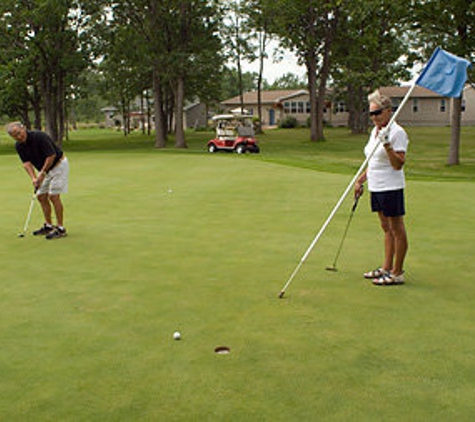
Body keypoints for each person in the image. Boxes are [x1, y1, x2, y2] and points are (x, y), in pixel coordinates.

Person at [354, 90, 409, 285]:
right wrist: (361, 179)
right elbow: (373, 161)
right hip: (376, 186)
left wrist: (387, 145)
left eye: (377, 113)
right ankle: (385, 268)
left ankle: (397, 272)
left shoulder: (397, 132)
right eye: (371, 114)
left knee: (396, 228)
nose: (374, 117)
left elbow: (398, 164)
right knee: (386, 228)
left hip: (391, 186)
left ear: (388, 111)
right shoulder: (374, 131)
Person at [7, 122, 69, 239]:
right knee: (41, 196)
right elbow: (26, 163)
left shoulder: (39, 136)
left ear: (23, 128)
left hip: (58, 165)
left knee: (53, 196)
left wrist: (42, 173)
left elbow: (51, 156)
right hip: (44, 170)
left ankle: (60, 228)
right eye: (15, 136)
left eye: (19, 133)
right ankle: (48, 226)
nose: (19, 137)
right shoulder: (19, 146)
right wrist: (34, 178)